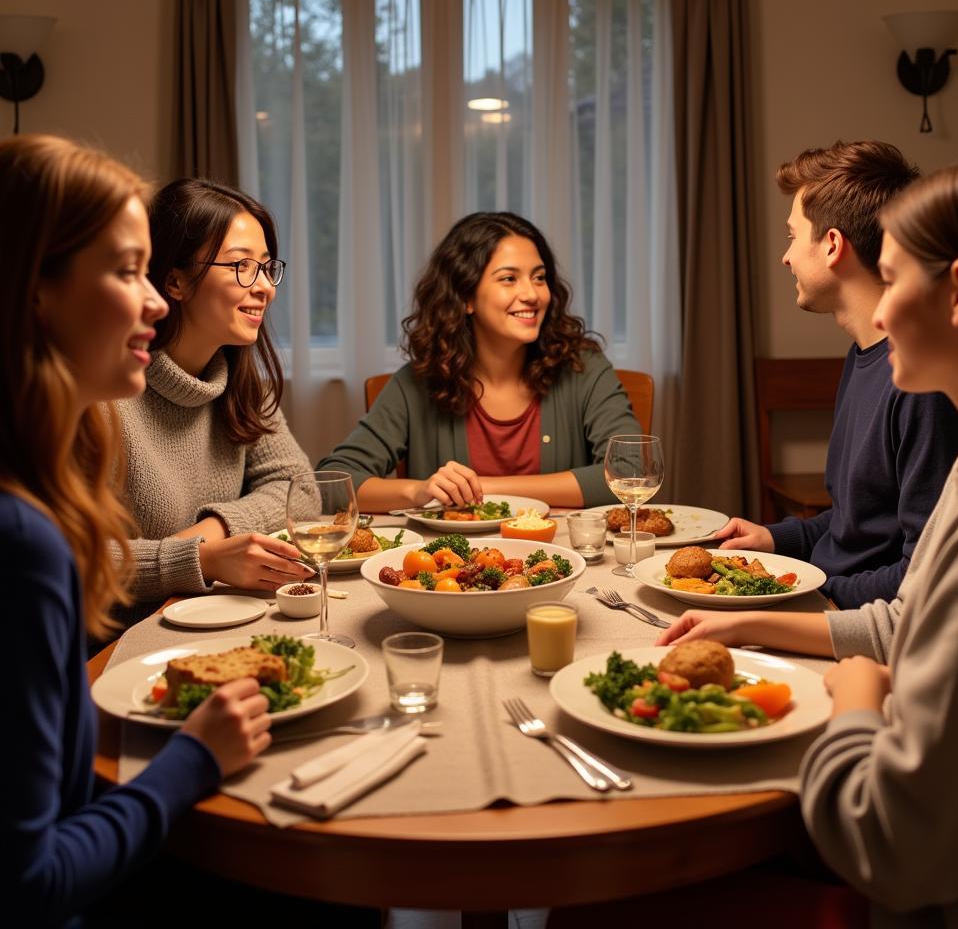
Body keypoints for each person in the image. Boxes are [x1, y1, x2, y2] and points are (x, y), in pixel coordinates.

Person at [660, 150, 958, 923]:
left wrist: (857, 699)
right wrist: (753, 619)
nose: (880, 311)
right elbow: (911, 619)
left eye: (893, 280)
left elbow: (896, 849)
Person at [1, 136, 270, 926]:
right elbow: (30, 886)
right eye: (127, 272)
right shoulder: (24, 541)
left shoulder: (37, 492)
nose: (154, 299)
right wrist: (194, 757)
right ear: (35, 293)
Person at [717, 141, 958, 608]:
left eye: (792, 236)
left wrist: (807, 595)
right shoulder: (862, 355)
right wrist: (776, 541)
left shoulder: (921, 385)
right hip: (830, 595)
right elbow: (857, 525)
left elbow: (923, 575)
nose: (786, 257)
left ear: (832, 245)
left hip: (855, 619)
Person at [318, 211, 642, 510]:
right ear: (466, 297)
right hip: (452, 569)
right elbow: (331, 482)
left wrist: (484, 487)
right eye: (509, 279)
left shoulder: (583, 368)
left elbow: (631, 472)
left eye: (539, 277)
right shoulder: (417, 384)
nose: (532, 294)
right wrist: (418, 492)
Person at [114, 179, 316, 622]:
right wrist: (199, 559)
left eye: (267, 267)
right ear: (175, 281)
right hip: (114, 641)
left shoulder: (242, 382)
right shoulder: (106, 392)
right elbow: (73, 560)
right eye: (242, 266)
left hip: (216, 617)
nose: (265, 287)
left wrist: (216, 530)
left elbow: (300, 490)